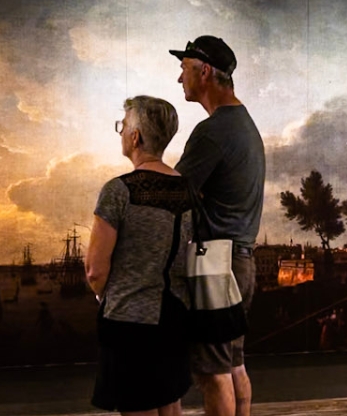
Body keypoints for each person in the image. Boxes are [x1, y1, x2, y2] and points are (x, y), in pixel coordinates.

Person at [170, 35, 264, 416]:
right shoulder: (244, 124)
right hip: (240, 264)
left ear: (204, 71)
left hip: (215, 266)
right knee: (233, 363)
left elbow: (173, 195)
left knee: (212, 374)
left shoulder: (212, 131)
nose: (180, 79)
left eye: (184, 69)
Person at [86, 95, 195, 416]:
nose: (120, 133)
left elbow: (95, 270)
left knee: (138, 408)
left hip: (129, 320)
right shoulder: (188, 189)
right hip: (176, 315)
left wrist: (106, 295)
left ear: (135, 137)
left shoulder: (118, 190)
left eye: (123, 126)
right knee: (169, 406)